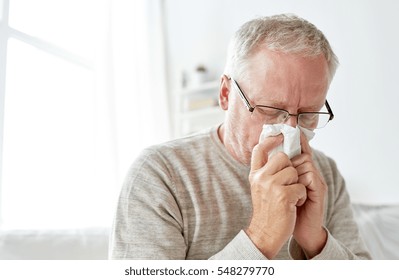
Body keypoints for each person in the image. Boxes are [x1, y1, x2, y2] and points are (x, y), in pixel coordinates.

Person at [109, 14, 371, 260]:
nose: (291, 129)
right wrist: (262, 237)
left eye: (307, 114)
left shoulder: (325, 176)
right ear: (225, 94)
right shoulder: (160, 175)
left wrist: (317, 242)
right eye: (271, 110)